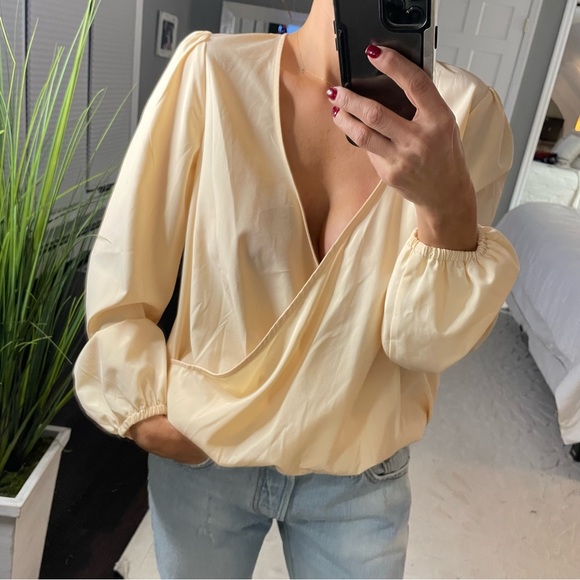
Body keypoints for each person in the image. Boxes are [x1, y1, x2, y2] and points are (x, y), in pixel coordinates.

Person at [73, 0, 519, 577]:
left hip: (358, 478)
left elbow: (422, 345)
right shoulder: (213, 73)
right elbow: (128, 261)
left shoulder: (465, 117)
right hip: (205, 450)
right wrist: (143, 412)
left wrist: (445, 205)